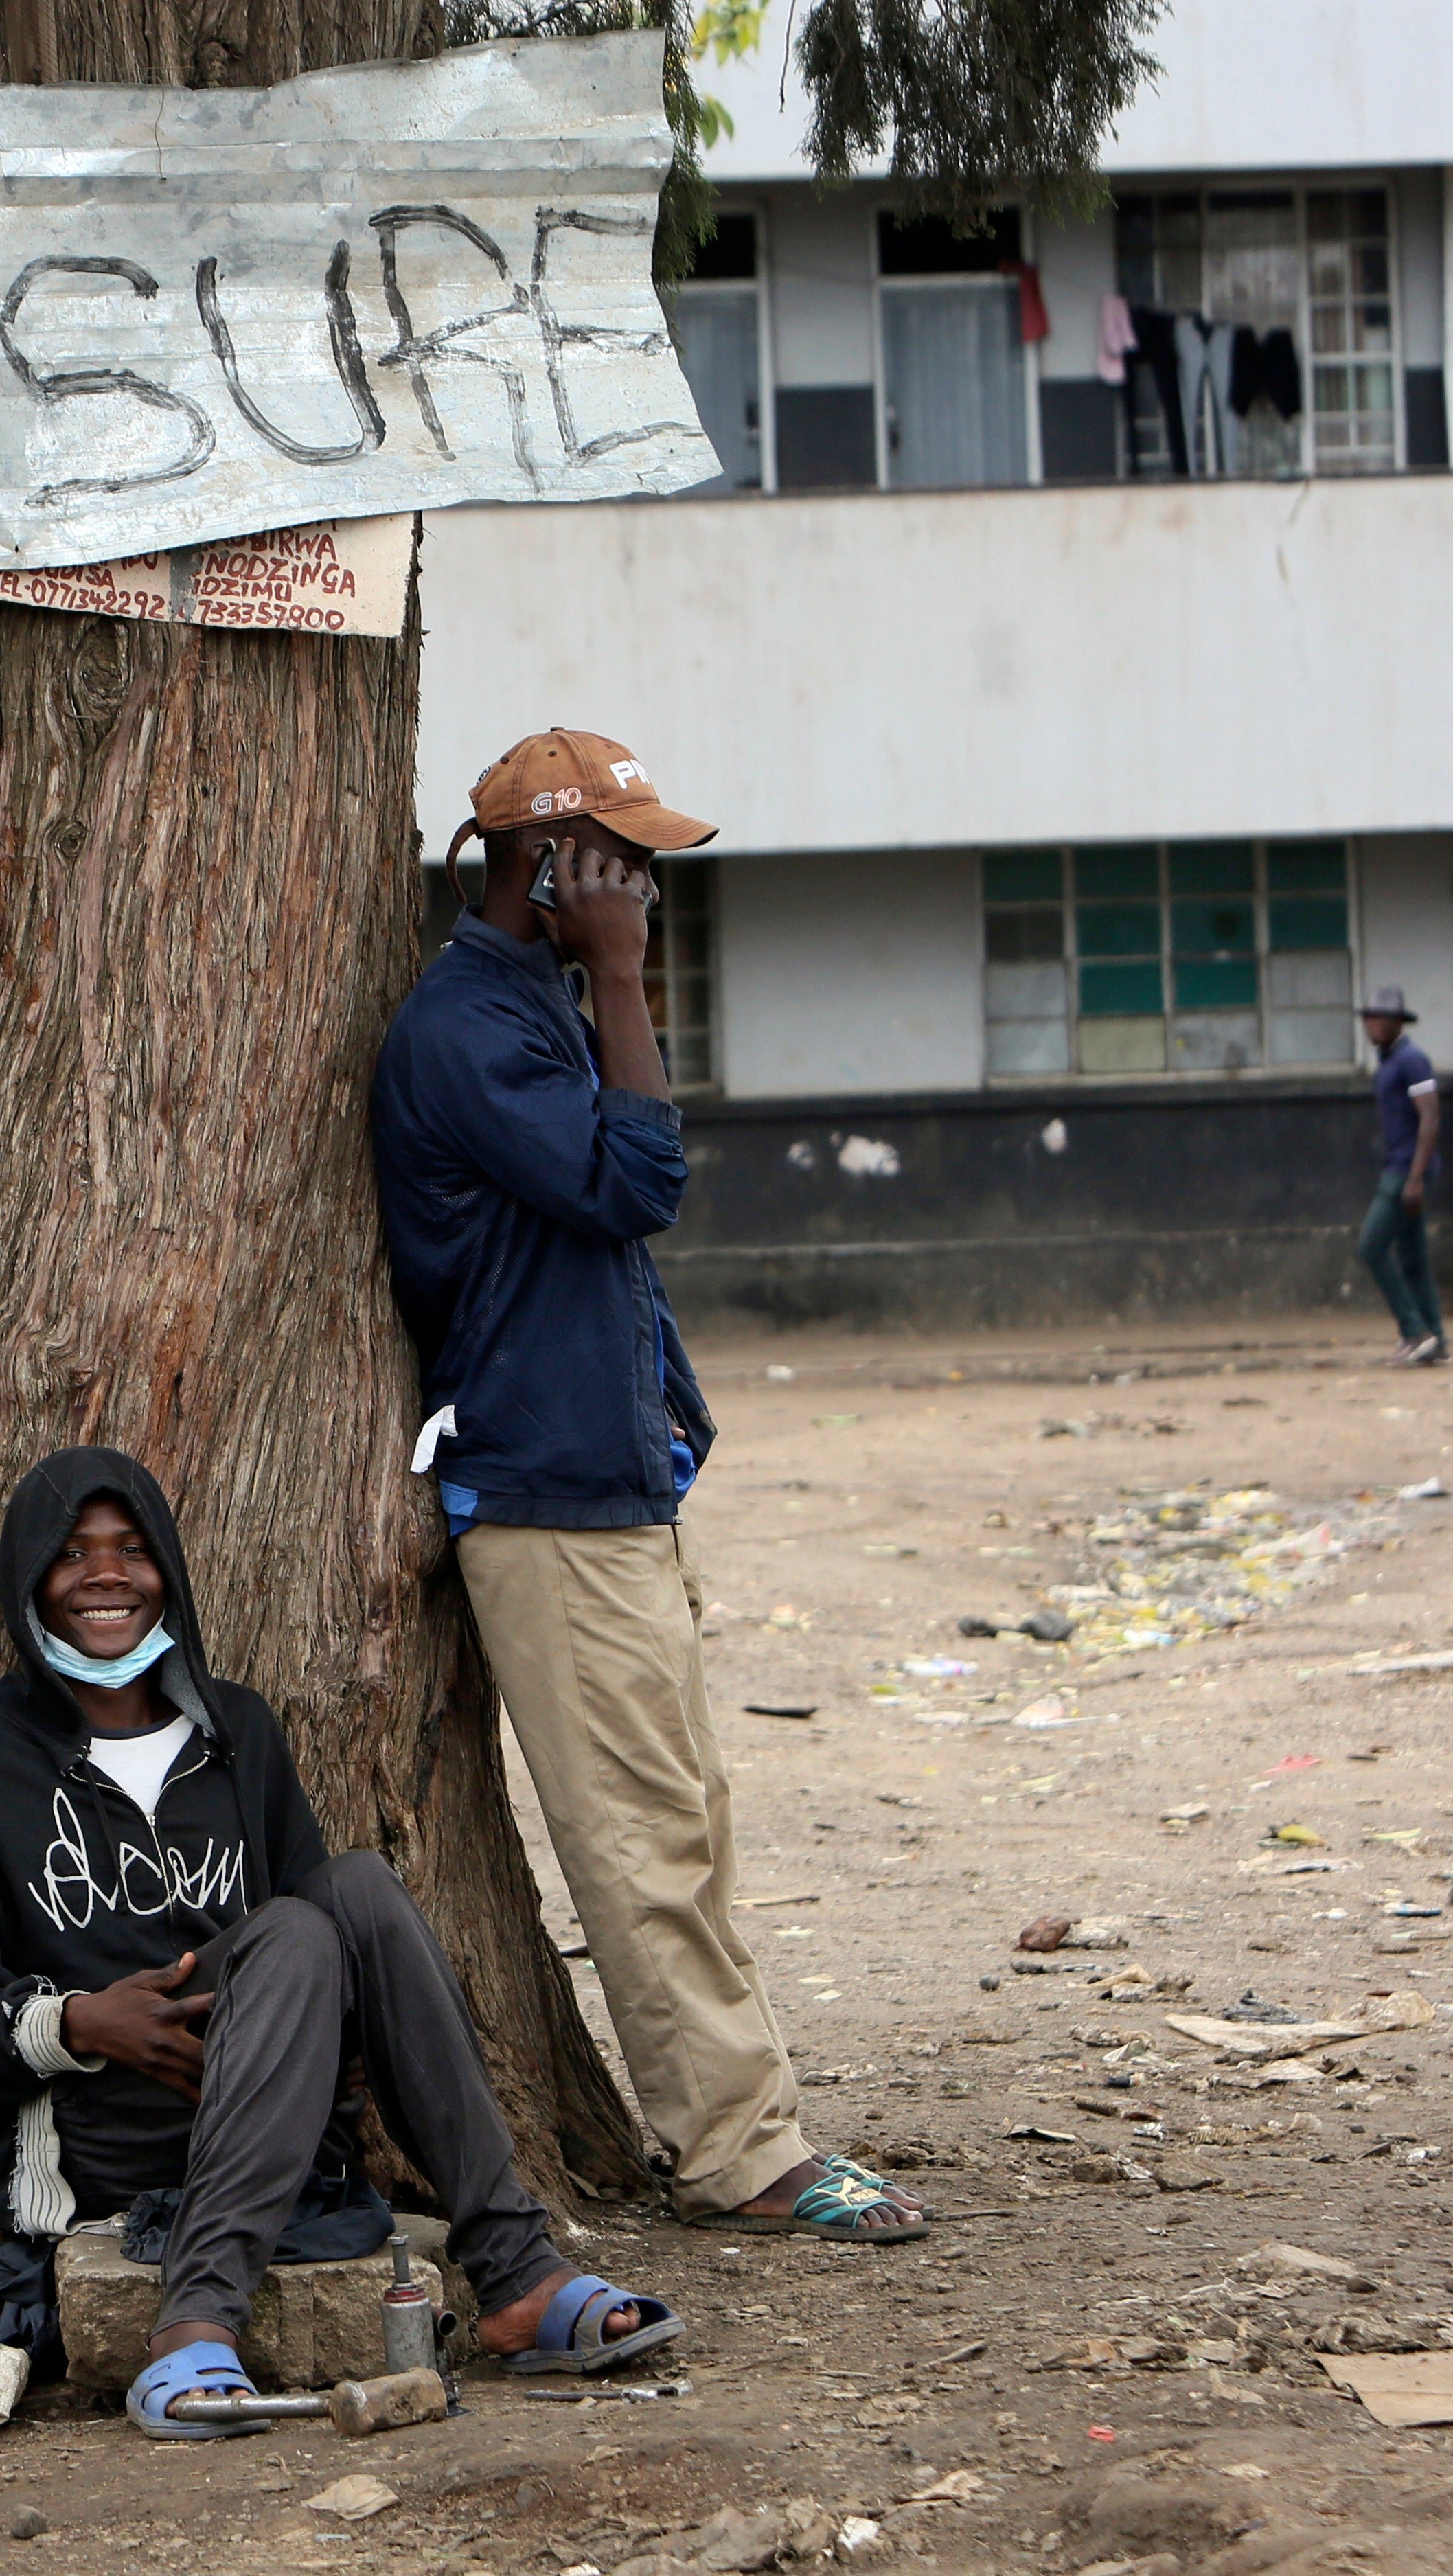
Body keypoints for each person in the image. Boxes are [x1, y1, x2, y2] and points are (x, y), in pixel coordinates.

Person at [369, 727, 922, 2246]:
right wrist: (620, 973)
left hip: (607, 1474)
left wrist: (671, 1422)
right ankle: (740, 2153)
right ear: (544, 864)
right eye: (617, 862)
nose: (646, 888)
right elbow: (637, 1188)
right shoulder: (470, 1028)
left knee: (690, 1820)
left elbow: (603, 1252)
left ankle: (750, 2117)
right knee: (641, 1839)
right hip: (542, 1494)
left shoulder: (528, 1007)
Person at [0, 1448, 683, 2439]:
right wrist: (88, 2020)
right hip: (99, 2128)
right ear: (28, 1584)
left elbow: (307, 1944)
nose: (106, 1576)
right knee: (307, 1923)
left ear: (171, 1573)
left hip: (261, 2112)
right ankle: (193, 2322)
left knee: (350, 1888)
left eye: (133, 1551)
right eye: (71, 1555)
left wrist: (320, 2071)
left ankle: (518, 2271)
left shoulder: (239, 1732)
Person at [1355, 985, 1445, 1367]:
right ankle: (1435, 1342)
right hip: (1401, 1167)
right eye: (1369, 1018)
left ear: (1397, 1023)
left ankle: (1414, 1331)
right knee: (1413, 1259)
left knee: (1371, 1246)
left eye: (1380, 1019)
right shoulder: (1390, 1061)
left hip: (1404, 1171)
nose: (1372, 1025)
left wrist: (1415, 1178)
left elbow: (1430, 1116)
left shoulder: (1412, 1060)